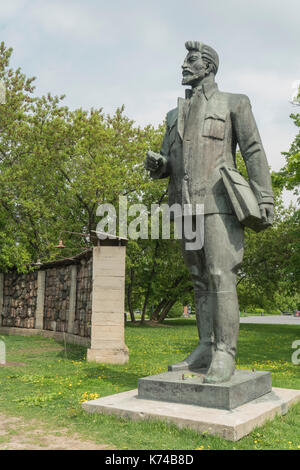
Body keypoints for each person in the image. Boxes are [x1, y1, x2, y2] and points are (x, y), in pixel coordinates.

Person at [145, 41, 274, 383]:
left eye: (190, 61)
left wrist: (265, 198)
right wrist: (159, 166)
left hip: (219, 204)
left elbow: (253, 150)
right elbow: (170, 162)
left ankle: (224, 353)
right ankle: (205, 345)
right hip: (184, 205)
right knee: (199, 280)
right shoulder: (174, 115)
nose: (183, 67)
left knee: (220, 275)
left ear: (209, 66)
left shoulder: (234, 103)